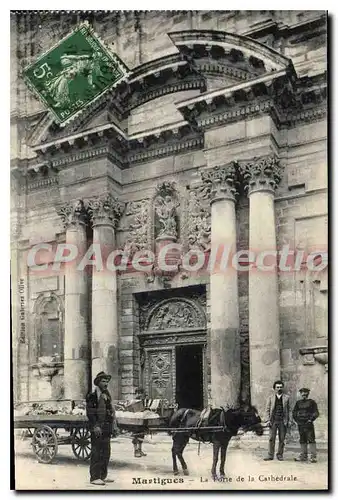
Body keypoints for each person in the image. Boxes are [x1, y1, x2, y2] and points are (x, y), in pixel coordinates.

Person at [86, 371, 118, 485]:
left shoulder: (107, 395)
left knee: (106, 452)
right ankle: (94, 477)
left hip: (106, 428)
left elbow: (111, 411)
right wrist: (95, 426)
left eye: (107, 381)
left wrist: (113, 425)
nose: (106, 384)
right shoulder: (92, 396)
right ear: (98, 383)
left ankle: (103, 476)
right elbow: (90, 413)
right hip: (97, 428)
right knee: (96, 452)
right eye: (103, 381)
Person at [264, 380, 291, 461]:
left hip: (282, 421)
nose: (279, 388)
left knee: (282, 439)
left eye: (280, 387)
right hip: (273, 421)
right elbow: (267, 410)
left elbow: (289, 410)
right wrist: (267, 420)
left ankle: (280, 455)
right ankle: (270, 455)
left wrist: (289, 420)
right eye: (277, 387)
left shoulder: (286, 398)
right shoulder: (270, 398)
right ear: (274, 388)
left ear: (282, 388)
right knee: (271, 438)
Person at [293, 388, 319, 463]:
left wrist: (311, 419)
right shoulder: (298, 403)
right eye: (302, 393)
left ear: (308, 394)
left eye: (305, 393)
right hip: (300, 424)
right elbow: (294, 413)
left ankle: (313, 457)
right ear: (300, 394)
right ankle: (303, 456)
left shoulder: (312, 402)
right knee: (302, 440)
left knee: (311, 439)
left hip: (309, 424)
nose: (304, 394)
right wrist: (297, 421)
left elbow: (316, 412)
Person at [131, 387, 149, 458]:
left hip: (141, 420)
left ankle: (140, 450)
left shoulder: (141, 401)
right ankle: (136, 451)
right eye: (142, 394)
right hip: (135, 421)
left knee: (141, 435)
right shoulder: (134, 401)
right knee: (136, 435)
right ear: (138, 393)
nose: (143, 396)